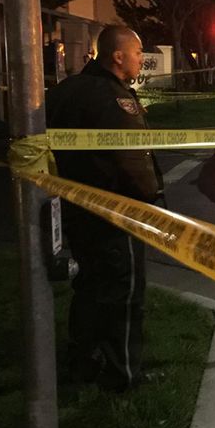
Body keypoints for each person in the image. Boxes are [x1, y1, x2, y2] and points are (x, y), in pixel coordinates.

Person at [46, 26, 162, 391]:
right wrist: (150, 200)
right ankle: (124, 376)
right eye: (138, 52)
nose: (141, 59)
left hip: (76, 208)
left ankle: (82, 364)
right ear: (118, 56)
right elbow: (132, 160)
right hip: (116, 212)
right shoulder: (115, 100)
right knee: (124, 295)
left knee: (90, 290)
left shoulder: (65, 91)